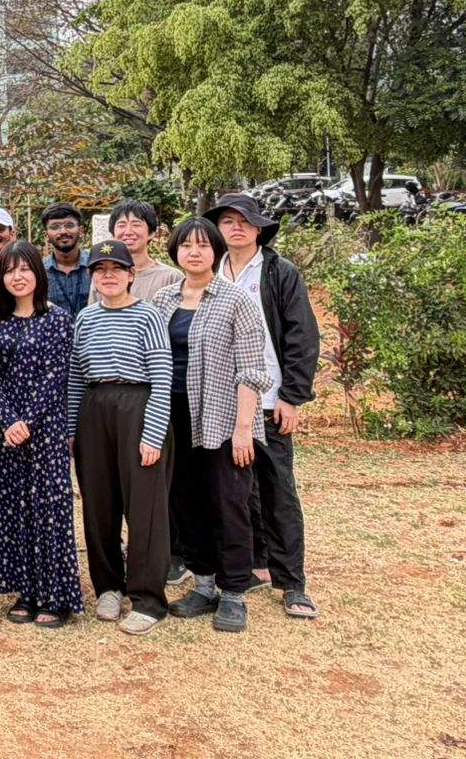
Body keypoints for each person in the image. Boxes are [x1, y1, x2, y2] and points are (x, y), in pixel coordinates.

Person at [206, 193, 322, 620]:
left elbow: (302, 336)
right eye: (227, 221)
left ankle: (292, 582)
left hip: (270, 399)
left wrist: (292, 396)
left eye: (244, 221)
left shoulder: (278, 272)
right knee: (236, 491)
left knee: (278, 490)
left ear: (258, 229)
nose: (235, 227)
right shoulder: (210, 272)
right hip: (222, 401)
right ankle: (249, 564)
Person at [153, 218, 270, 633]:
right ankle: (203, 585)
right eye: (186, 245)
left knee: (230, 504)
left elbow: (253, 369)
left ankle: (234, 591)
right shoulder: (164, 301)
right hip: (175, 419)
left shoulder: (236, 300)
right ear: (176, 253)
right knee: (186, 502)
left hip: (225, 421)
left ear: (216, 251)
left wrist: (243, 428)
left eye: (203, 245)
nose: (195, 252)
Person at [69, 239, 173, 636]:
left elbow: (163, 377)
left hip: (139, 405)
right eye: (100, 269)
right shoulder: (86, 318)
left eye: (116, 269)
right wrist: (70, 429)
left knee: (144, 505)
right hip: (95, 408)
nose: (108, 276)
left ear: (131, 274)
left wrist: (154, 432)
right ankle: (108, 586)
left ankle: (148, 597)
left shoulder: (148, 315)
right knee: (99, 502)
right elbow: (77, 378)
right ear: (92, 277)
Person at [0, 241, 84, 628]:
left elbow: (56, 375)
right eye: (10, 271)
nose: (17, 277)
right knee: (13, 509)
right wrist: (9, 421)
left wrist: (28, 420)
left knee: (49, 508)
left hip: (47, 430)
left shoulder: (59, 319)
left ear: (37, 274)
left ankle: (55, 596)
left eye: (25, 269)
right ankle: (24, 590)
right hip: (9, 434)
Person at [93, 199, 181, 302]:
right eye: (122, 225)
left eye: (136, 224)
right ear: (113, 234)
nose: (128, 232)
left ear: (151, 233)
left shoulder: (170, 277)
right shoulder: (103, 276)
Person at [40, 203, 89, 318]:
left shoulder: (96, 266)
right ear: (46, 236)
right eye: (55, 227)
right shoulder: (39, 272)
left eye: (69, 225)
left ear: (81, 231)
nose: (63, 231)